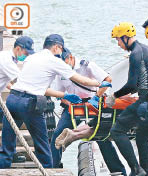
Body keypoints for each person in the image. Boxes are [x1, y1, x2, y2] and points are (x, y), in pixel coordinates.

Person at [56, 22, 148, 176]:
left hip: (147, 101)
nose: (118, 44)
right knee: (142, 141)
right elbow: (138, 84)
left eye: (118, 40)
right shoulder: (145, 49)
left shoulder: (136, 53)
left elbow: (131, 84)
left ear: (126, 37)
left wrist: (115, 96)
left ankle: (135, 169)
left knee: (116, 130)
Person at [0, 34, 106, 169]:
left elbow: (38, 87)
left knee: (7, 143)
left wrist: (64, 95)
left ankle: (3, 173)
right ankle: (49, 173)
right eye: (61, 50)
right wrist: (100, 83)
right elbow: (82, 80)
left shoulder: (32, 58)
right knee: (42, 144)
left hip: (13, 99)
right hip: (30, 104)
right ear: (57, 47)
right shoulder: (55, 61)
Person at [51, 48, 127, 176]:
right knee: (58, 134)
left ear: (70, 57)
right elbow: (60, 94)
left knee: (101, 137)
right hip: (74, 105)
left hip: (93, 103)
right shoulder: (60, 72)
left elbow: (107, 79)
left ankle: (119, 172)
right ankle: (53, 169)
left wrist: (97, 97)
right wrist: (70, 103)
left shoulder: (86, 65)